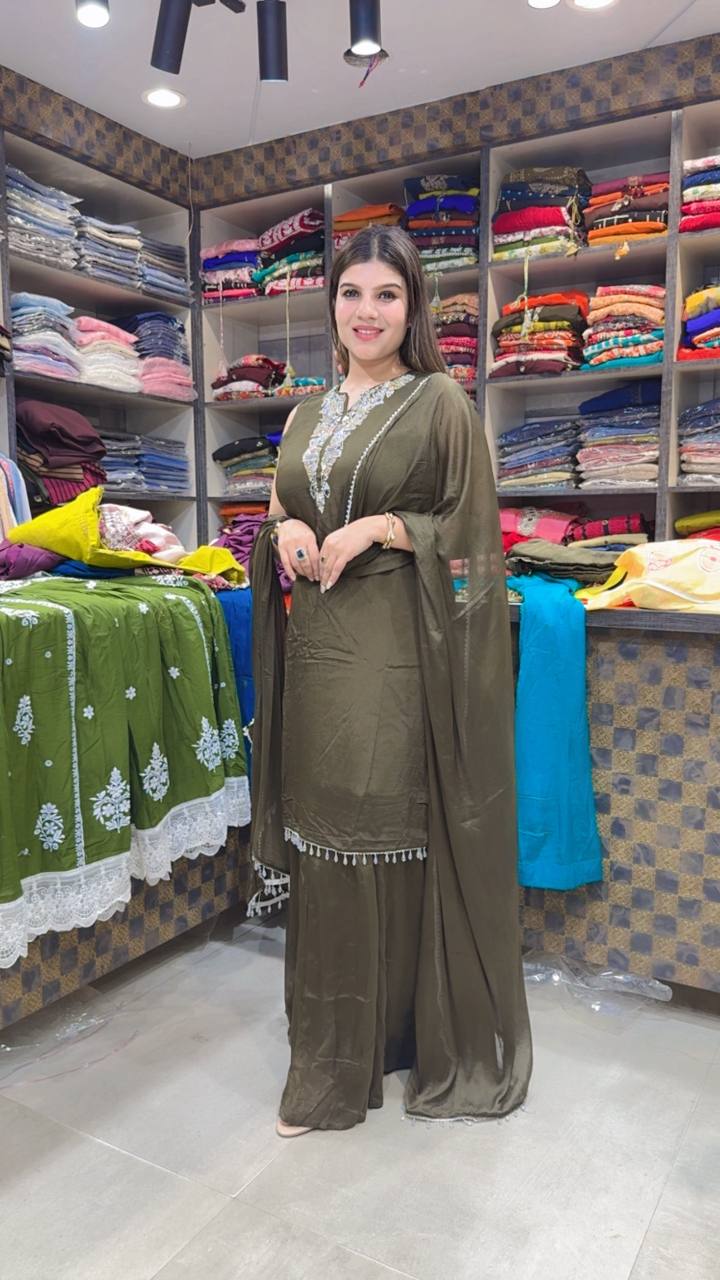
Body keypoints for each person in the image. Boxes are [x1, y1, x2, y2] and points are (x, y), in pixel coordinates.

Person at [250, 226, 532, 1136]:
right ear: (330, 303)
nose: (366, 312)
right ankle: (348, 1045)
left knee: (369, 825)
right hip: (316, 652)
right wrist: (287, 530)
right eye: (351, 293)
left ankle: (348, 1069)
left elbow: (473, 530)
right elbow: (280, 503)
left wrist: (378, 528)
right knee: (321, 830)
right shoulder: (305, 413)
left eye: (386, 295)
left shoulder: (439, 401)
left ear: (413, 309)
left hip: (395, 652)